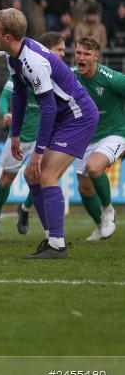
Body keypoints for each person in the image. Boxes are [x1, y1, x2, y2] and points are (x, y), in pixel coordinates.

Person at [0, 8, 98, 259]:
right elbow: (18, 93)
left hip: (77, 117)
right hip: (65, 116)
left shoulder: (32, 61)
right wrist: (15, 135)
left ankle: (57, 246)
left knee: (44, 173)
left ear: (8, 37)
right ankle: (52, 238)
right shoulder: (13, 55)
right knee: (31, 175)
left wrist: (38, 153)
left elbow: (48, 108)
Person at [0, 31, 66, 236]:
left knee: (41, 176)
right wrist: (5, 114)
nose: (63, 55)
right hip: (20, 135)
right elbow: (5, 97)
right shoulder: (27, 67)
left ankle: (25, 209)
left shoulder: (59, 74)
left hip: (44, 135)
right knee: (6, 180)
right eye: (59, 50)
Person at [72, 36, 124, 241]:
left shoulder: (112, 79)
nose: (81, 57)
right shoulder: (71, 77)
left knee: (94, 168)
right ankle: (99, 225)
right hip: (86, 136)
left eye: (86, 54)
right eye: (78, 53)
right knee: (84, 189)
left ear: (96, 57)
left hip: (115, 131)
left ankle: (108, 210)